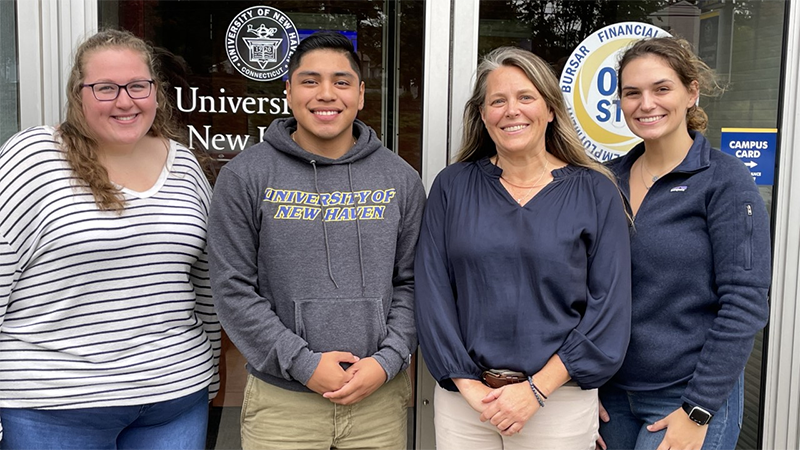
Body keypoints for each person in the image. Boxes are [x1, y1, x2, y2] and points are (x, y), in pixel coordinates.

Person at [0, 29, 220, 449]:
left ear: (156, 92)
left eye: (138, 86)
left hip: (173, 401)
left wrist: (207, 376)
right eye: (105, 88)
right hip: (51, 408)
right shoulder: (34, 157)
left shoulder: (185, 166)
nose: (125, 101)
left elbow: (205, 285)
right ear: (77, 94)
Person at [207, 31, 426, 450]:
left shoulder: (400, 179)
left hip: (378, 402)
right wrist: (303, 364)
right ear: (288, 91)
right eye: (310, 81)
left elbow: (413, 282)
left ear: (361, 94)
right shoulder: (245, 177)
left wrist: (388, 361)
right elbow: (232, 289)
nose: (326, 94)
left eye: (341, 82)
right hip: (282, 407)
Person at [414, 46, 632, 450]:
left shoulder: (595, 191)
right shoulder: (452, 187)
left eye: (526, 97)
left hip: (558, 401)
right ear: (483, 115)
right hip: (468, 402)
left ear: (550, 110)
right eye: (498, 101)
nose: (511, 110)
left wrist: (536, 390)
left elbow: (610, 307)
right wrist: (468, 386)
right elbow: (432, 293)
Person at [598, 36, 771, 450]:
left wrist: (699, 408)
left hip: (687, 396)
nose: (646, 104)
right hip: (612, 398)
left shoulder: (724, 180)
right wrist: (584, 384)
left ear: (691, 92)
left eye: (662, 89)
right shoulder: (605, 180)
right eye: (632, 93)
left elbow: (745, 301)